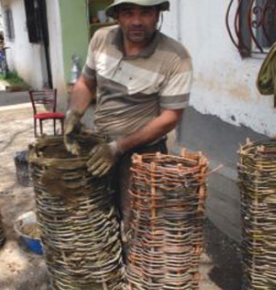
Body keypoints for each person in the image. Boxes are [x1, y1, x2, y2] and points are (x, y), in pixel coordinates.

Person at [64, 0, 193, 243]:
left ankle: (136, 275)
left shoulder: (176, 57)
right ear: (117, 16)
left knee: (139, 225)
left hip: (144, 153)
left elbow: (170, 116)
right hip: (99, 145)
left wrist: (118, 147)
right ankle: (111, 273)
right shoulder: (101, 39)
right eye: (128, 12)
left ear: (157, 15)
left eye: (145, 12)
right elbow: (86, 83)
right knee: (99, 216)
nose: (136, 21)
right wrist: (74, 113)